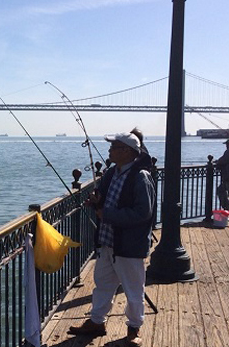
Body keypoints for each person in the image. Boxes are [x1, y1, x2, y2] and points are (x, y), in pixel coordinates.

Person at [68, 132, 155, 347]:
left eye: (114, 147)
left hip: (128, 244)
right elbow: (107, 198)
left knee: (134, 288)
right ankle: (97, 322)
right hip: (107, 240)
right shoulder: (111, 173)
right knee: (103, 284)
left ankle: (134, 329)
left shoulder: (140, 176)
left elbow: (143, 213)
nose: (109, 150)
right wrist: (96, 201)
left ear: (126, 151)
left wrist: (107, 214)